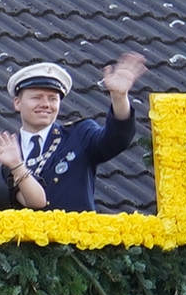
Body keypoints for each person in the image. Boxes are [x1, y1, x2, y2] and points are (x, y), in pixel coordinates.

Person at [8, 52, 146, 213]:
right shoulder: (3, 153)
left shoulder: (79, 135)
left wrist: (119, 97)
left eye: (52, 99)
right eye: (37, 98)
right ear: (17, 103)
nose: (45, 104)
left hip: (73, 230)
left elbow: (116, 139)